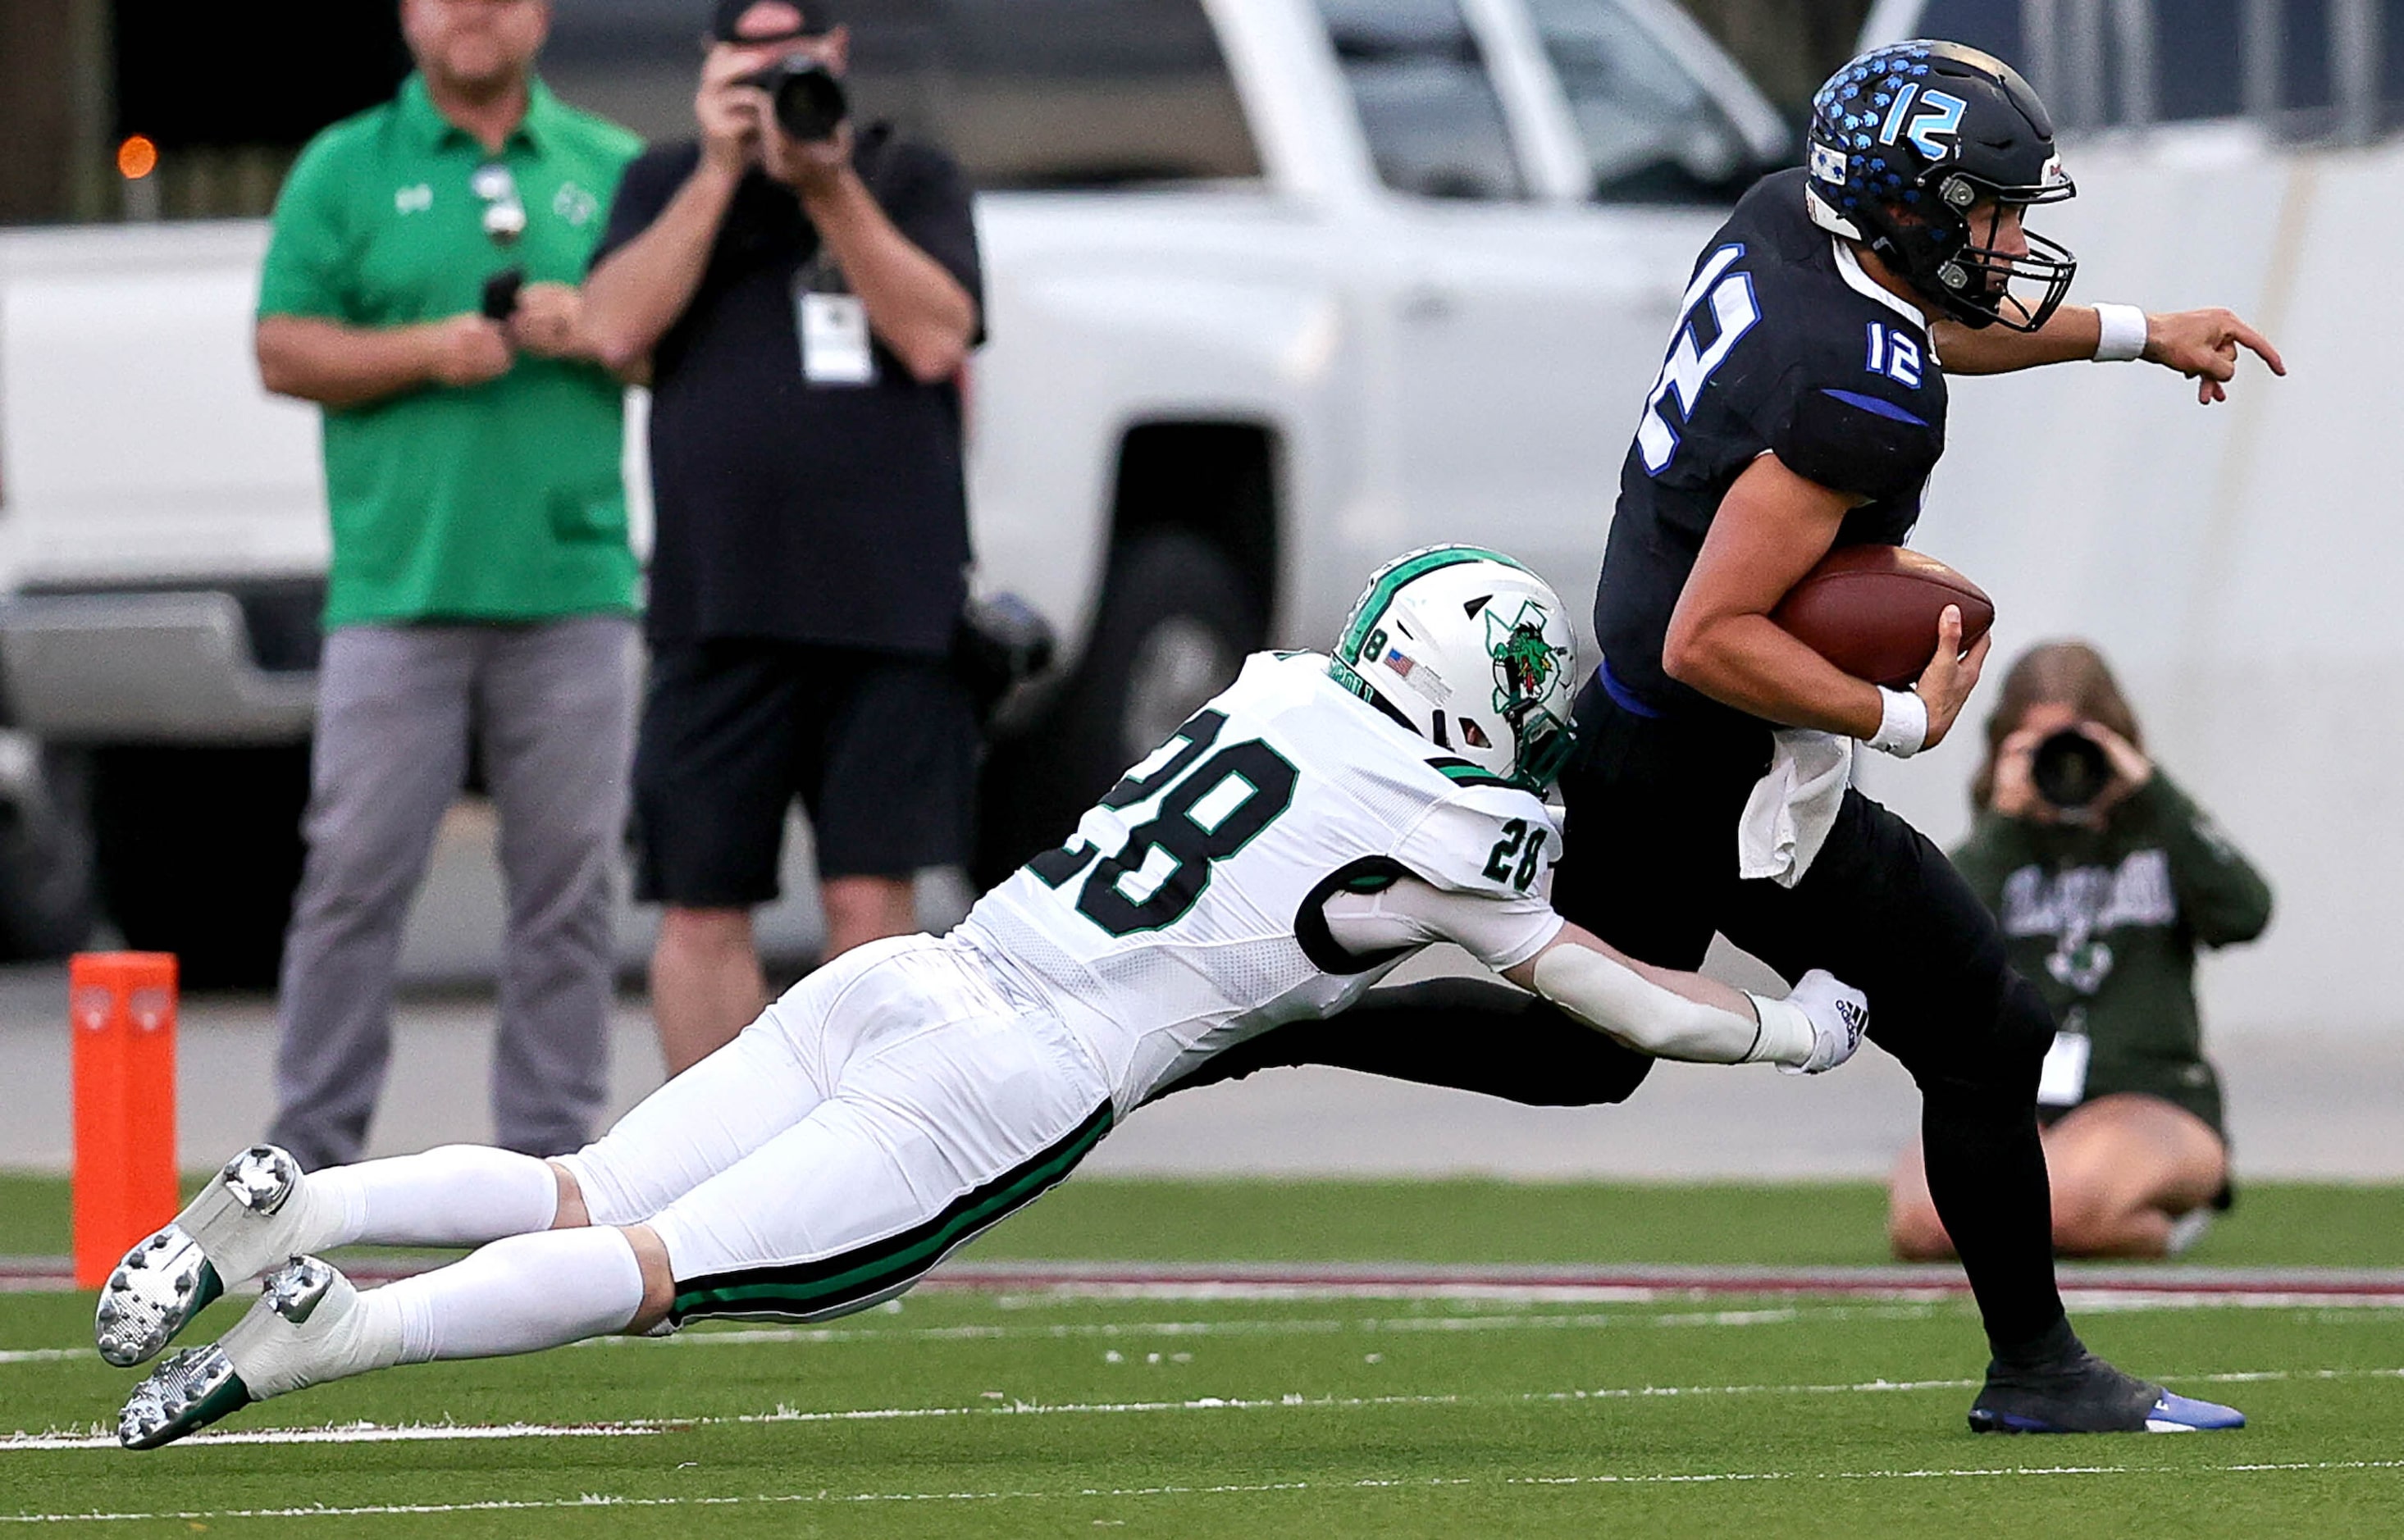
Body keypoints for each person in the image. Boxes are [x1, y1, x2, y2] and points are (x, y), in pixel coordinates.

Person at [102, 549, 1899, 1450]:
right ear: (1464, 709)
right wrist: (1802, 1028)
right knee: (654, 1274)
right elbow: (1636, 1015)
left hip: (908, 975)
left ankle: (310, 1202)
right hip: (1005, 1074)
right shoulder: (1456, 825)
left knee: (590, 1185)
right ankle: (342, 1332)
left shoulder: (1273, 691)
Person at [1170, 41, 2281, 1435]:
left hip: (1639, 738)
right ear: (1909, 210)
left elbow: (1916, 323)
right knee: (1987, 1031)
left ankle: (1291, 1016)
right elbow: (1713, 630)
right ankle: (2039, 1370)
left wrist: (2132, 330)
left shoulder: (1788, 219)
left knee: (1589, 1050)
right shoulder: (1856, 390)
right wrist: (1897, 715)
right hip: (1724, 765)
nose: (2008, 239)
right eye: (1987, 210)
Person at [255, 0, 643, 1171]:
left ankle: (546, 1172)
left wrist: (600, 325)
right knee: (354, 878)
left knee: (569, 891)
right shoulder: (344, 163)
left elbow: (681, 333)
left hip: (572, 580)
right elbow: (282, 347)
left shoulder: (612, 165)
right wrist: (427, 349)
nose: (473, 11)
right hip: (397, 586)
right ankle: (302, 1169)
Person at [580, 0, 985, 1078]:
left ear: (838, 56)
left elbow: (936, 335)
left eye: (793, 59)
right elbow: (612, 330)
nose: (773, 83)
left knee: (869, 898)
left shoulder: (907, 178)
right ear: (710, 66)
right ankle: (712, 1175)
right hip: (716, 605)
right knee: (699, 900)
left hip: (888, 603)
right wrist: (719, 174)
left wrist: (827, 184)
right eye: (749, 61)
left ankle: (870, 1173)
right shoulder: (662, 183)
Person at [1887, 642, 2272, 1260]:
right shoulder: (1998, 850)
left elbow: (2245, 913)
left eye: (2077, 743)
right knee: (1924, 1224)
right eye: (2038, 747)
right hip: (2017, 1100)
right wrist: (2004, 822)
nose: (2063, 767)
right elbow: (1924, 949)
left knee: (2058, 1200)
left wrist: (2148, 789)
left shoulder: (2155, 833)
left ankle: (2157, 1221)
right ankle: (2114, 1218)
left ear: (2113, 737)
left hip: (2149, 1095)